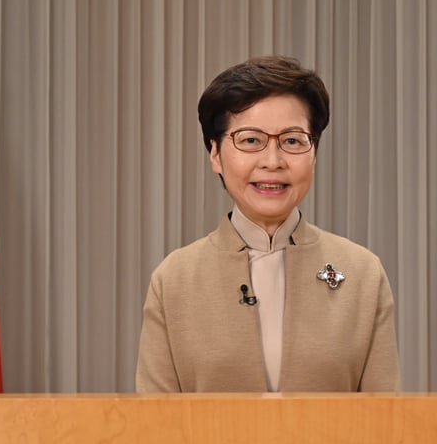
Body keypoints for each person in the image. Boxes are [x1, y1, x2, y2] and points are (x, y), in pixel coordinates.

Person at [136, 56, 401, 392]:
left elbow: (387, 422)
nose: (273, 161)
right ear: (215, 154)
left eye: (292, 141)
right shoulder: (174, 279)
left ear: (314, 154)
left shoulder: (363, 273)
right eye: (250, 140)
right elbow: (154, 427)